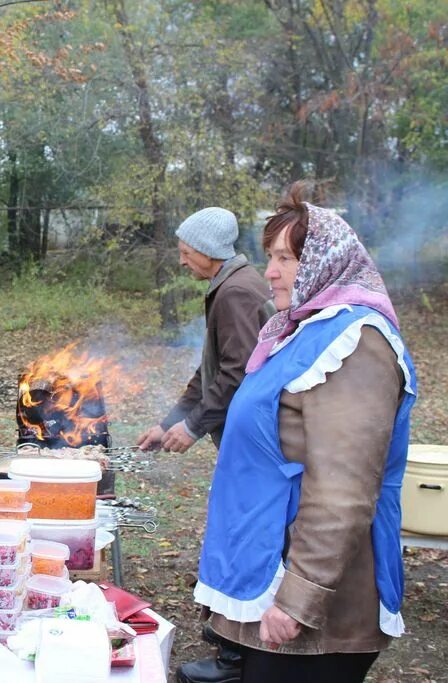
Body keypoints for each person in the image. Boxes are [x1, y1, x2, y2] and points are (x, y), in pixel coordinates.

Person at [192, 183, 416, 683]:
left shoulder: (356, 344)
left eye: (286, 259)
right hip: (265, 571)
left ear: (326, 263)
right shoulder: (303, 332)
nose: (269, 271)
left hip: (317, 616)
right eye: (270, 256)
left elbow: (344, 490)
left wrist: (299, 600)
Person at [137, 207, 274, 454]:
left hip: (255, 430)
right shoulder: (234, 282)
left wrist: (192, 427)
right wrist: (168, 424)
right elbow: (212, 368)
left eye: (186, 253)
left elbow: (237, 370)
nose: (181, 261)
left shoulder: (235, 292)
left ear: (208, 252)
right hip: (249, 424)